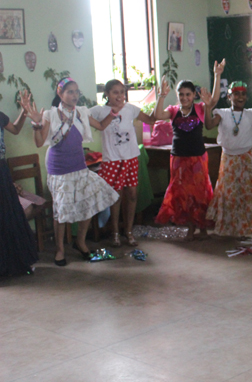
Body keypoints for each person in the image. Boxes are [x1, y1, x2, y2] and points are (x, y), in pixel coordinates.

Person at [22, 78, 119, 266]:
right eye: (70, 92)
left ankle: (80, 242)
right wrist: (36, 123)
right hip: (59, 169)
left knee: (88, 203)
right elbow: (39, 142)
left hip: (79, 166)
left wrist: (114, 111)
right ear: (60, 93)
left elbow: (100, 126)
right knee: (61, 211)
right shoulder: (50, 115)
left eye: (76, 91)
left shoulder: (81, 112)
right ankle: (60, 249)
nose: (75, 95)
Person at [205, 62, 252, 237]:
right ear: (229, 96)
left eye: (243, 94)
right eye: (236, 94)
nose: (241, 97)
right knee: (231, 193)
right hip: (229, 158)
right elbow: (208, 125)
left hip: (250, 157)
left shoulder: (251, 113)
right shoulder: (222, 113)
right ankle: (233, 226)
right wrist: (207, 107)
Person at [90, 79, 157, 247]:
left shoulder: (130, 109)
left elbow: (150, 120)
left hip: (130, 158)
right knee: (116, 196)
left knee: (132, 194)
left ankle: (128, 231)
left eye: (122, 92)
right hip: (112, 160)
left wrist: (161, 96)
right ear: (107, 94)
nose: (119, 96)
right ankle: (115, 233)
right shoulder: (99, 110)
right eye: (115, 92)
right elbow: (82, 117)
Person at [154, 74, 218, 240]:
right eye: (181, 94)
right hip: (178, 157)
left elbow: (214, 100)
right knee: (183, 193)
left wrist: (217, 76)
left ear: (194, 95)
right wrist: (161, 96)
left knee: (200, 192)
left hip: (198, 156)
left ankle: (202, 226)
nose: (184, 97)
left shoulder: (200, 108)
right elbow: (158, 115)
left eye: (188, 94)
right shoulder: (173, 110)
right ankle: (190, 226)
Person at [0, 91, 39, 276]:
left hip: (1, 170)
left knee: (10, 215)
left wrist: (24, 111)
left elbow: (15, 129)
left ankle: (14, 263)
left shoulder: (0, 116)